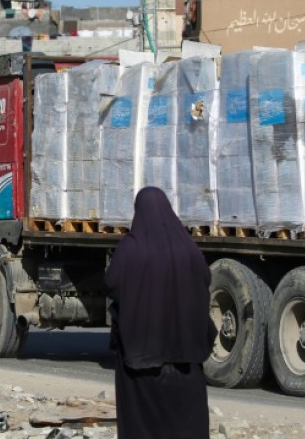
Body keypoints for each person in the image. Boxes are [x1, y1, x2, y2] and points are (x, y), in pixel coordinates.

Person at [104, 186, 216, 439]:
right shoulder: (188, 248)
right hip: (186, 362)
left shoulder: (131, 248)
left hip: (141, 364)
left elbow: (111, 284)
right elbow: (204, 280)